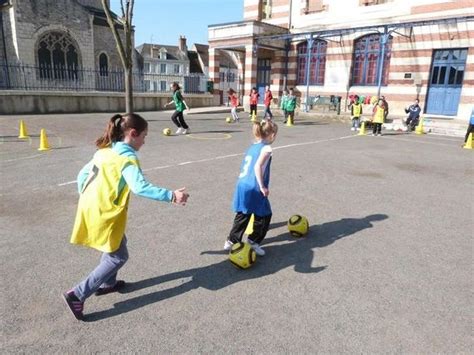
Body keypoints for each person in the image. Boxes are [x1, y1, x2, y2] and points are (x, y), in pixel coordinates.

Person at [62, 113, 189, 320]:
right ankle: (77, 294)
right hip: (106, 214)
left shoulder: (105, 152)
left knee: (117, 242)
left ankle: (107, 284)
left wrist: (88, 198)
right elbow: (139, 187)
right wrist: (172, 196)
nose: (145, 141)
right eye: (144, 136)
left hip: (92, 208)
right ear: (133, 134)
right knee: (118, 256)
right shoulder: (127, 158)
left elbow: (81, 176)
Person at [224, 120, 279, 256]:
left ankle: (231, 241)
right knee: (265, 215)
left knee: (244, 214)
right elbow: (257, 166)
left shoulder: (253, 146)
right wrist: (262, 186)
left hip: (242, 184)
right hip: (254, 186)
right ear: (271, 135)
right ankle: (253, 241)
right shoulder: (266, 148)